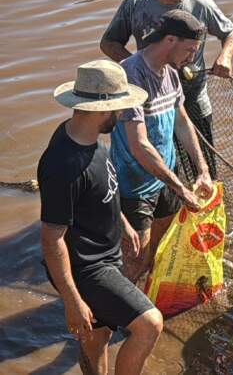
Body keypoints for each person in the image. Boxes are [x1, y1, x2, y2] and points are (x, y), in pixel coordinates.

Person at [38, 60, 164, 375]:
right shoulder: (63, 165)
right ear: (101, 109)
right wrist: (73, 301)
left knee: (98, 336)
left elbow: (98, 188)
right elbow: (51, 239)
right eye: (118, 108)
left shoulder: (86, 134)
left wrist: (122, 222)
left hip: (104, 254)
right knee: (149, 324)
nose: (122, 114)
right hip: (87, 268)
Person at [100, 0, 233, 179]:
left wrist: (225, 56)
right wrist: (136, 67)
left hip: (193, 97)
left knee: (204, 164)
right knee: (159, 161)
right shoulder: (135, 4)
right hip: (151, 101)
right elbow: (108, 43)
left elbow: (231, 33)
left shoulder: (202, 5)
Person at [110, 10, 213, 284]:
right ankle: (113, 309)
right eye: (189, 50)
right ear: (170, 40)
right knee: (134, 261)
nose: (192, 58)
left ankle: (147, 300)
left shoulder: (171, 73)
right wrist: (181, 188)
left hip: (166, 179)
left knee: (160, 252)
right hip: (134, 185)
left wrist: (202, 170)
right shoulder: (131, 75)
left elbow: (182, 122)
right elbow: (139, 145)